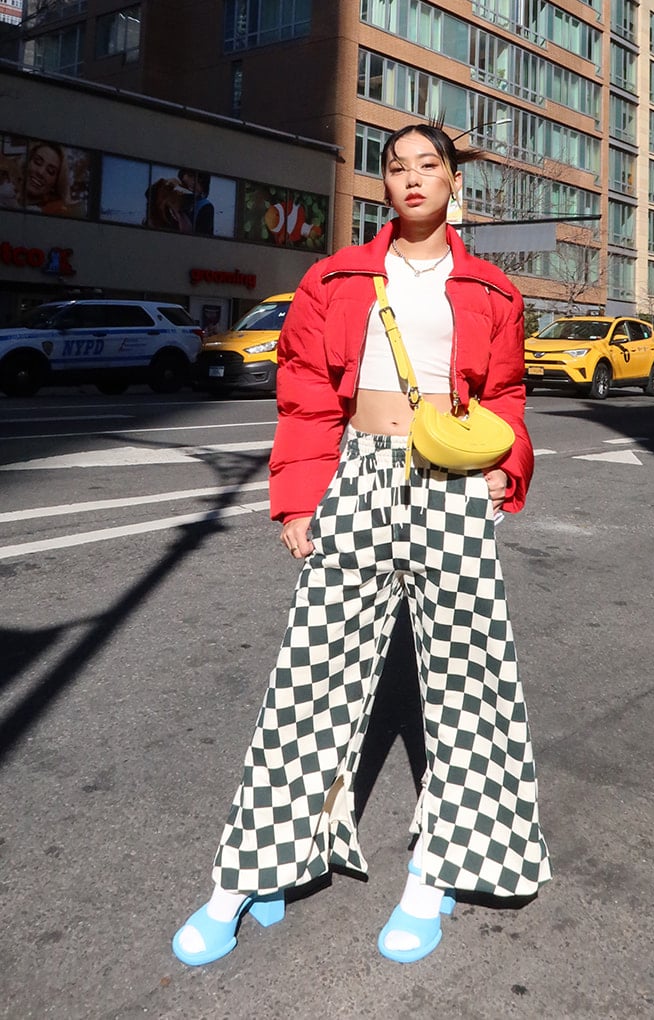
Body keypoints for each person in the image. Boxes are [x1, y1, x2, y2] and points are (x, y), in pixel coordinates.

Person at [172, 121, 551, 967]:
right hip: (358, 479)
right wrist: (300, 500)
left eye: (429, 166)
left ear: (455, 184)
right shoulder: (336, 276)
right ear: (383, 187)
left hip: (449, 489)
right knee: (310, 674)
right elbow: (305, 393)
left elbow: (511, 393)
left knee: (468, 683)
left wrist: (507, 466)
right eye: (396, 167)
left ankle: (439, 870)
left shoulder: (492, 289)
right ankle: (249, 875)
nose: (412, 178)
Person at [176, 168, 215, 235]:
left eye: (193, 188)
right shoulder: (174, 200)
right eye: (184, 185)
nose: (187, 191)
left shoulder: (205, 206)